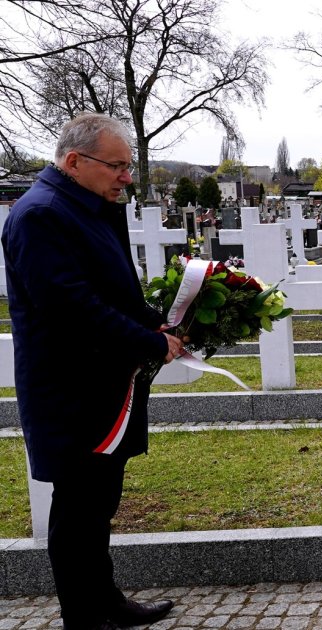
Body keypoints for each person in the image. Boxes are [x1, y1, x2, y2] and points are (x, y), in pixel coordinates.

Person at [2, 113, 182, 630]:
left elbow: (113, 290)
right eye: (118, 166)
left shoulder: (88, 207)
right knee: (77, 508)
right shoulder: (41, 215)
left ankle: (105, 600)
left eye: (128, 166)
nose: (127, 177)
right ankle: (83, 615)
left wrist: (161, 322)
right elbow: (70, 305)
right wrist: (149, 341)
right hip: (70, 388)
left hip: (104, 382)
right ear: (75, 162)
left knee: (99, 500)